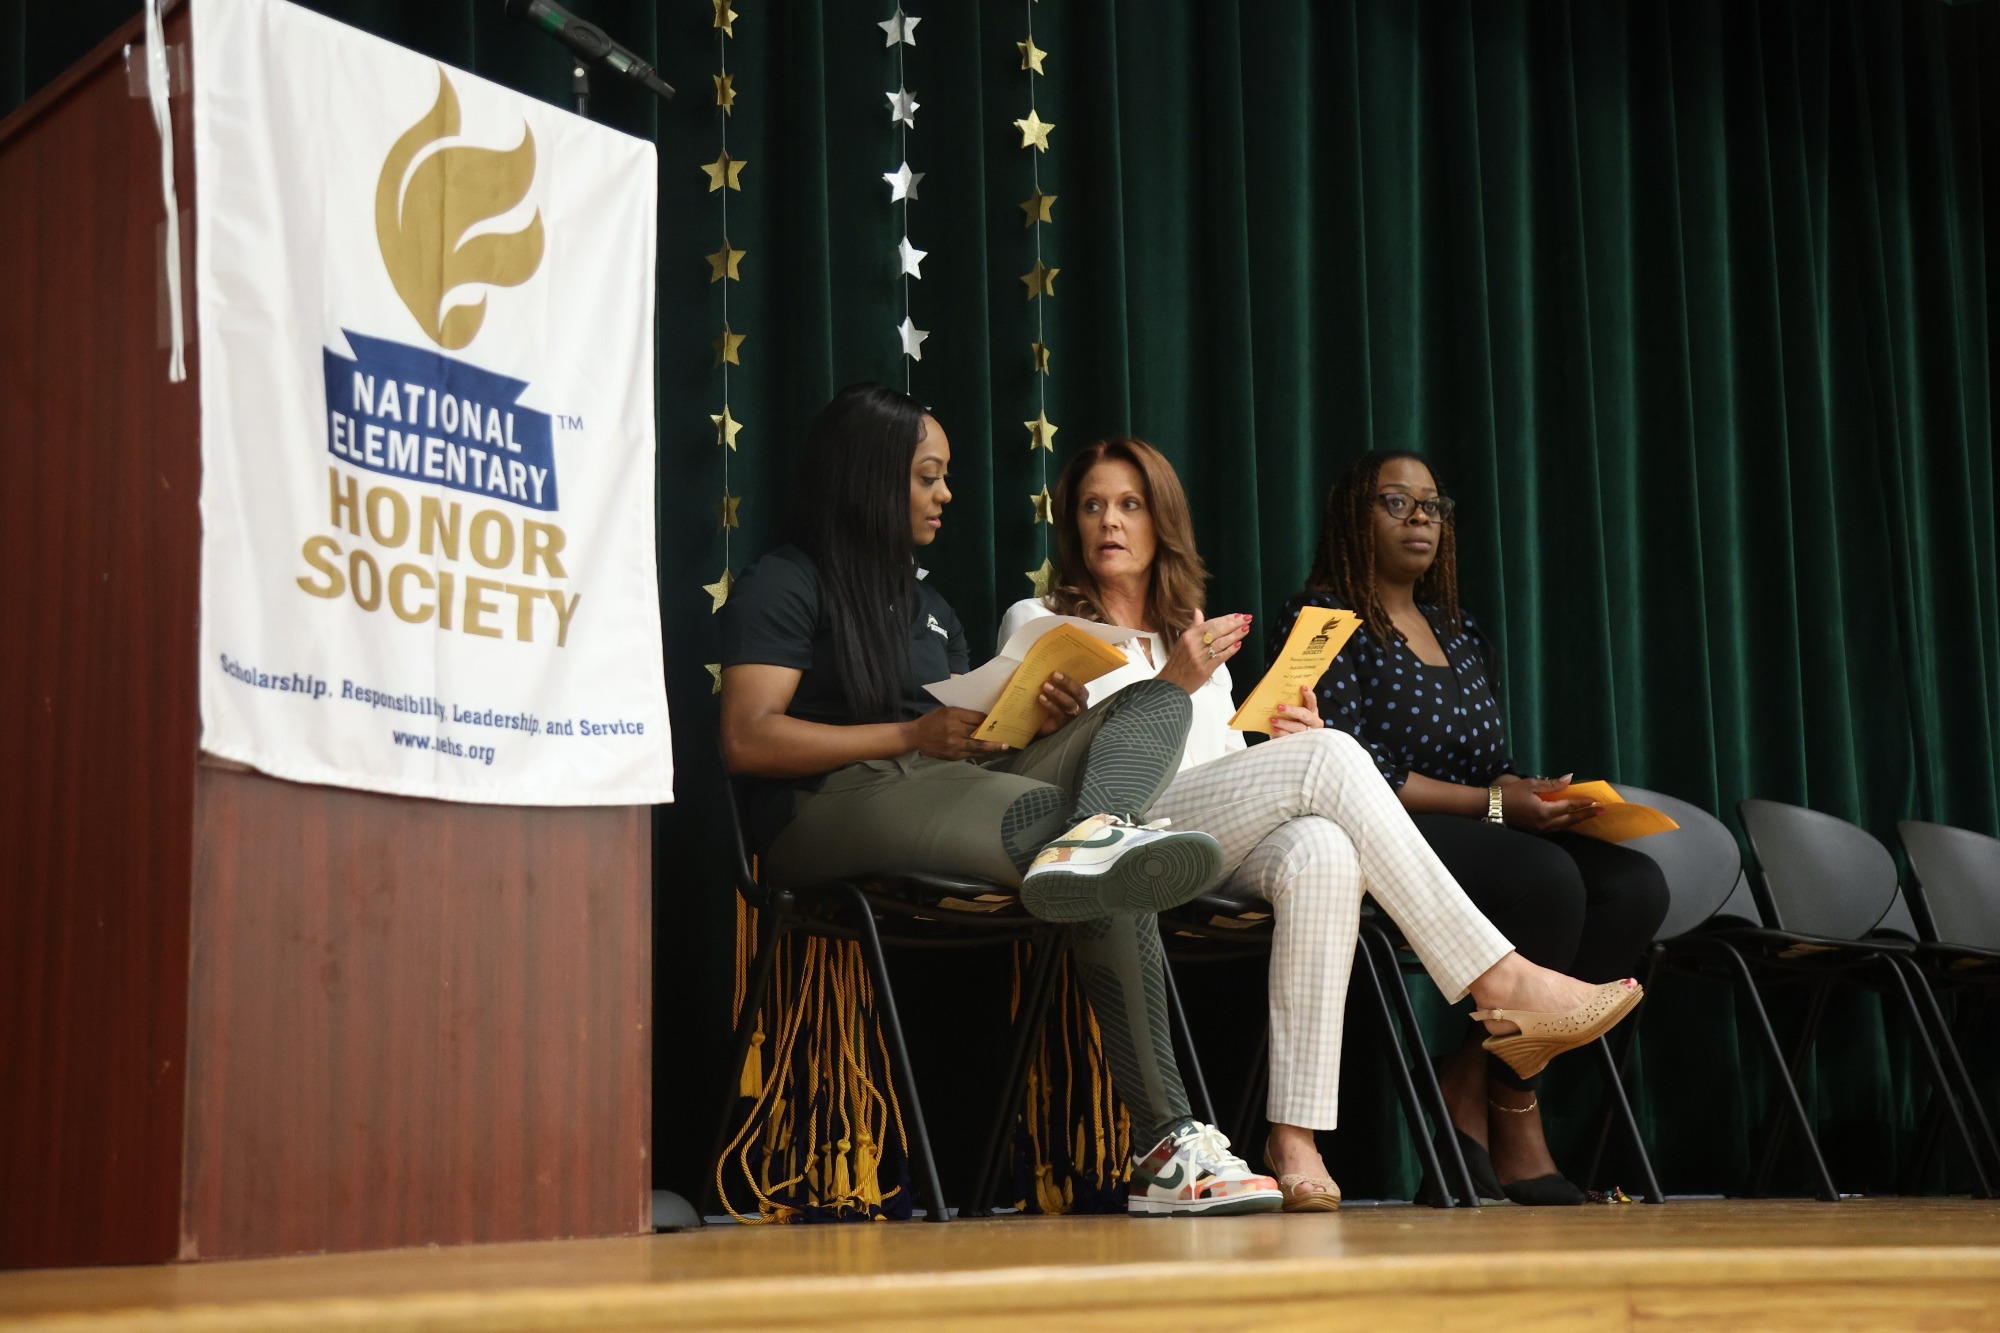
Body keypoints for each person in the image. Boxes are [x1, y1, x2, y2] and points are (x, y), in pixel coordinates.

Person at [999, 436, 1646, 1211]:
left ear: (1160, 520)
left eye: (1130, 504)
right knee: (1337, 757)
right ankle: (1501, 979)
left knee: (1325, 845)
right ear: (1071, 524)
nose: (1110, 520)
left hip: (1207, 828)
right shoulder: (1037, 620)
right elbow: (1015, 760)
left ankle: (1294, 1136)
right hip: (1114, 833)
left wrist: (1284, 741)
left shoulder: (1197, 635)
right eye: (1093, 505)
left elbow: (1223, 761)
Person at [718, 384, 1283, 1216]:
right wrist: (912, 737)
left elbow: (961, 746)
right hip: (825, 807)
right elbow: (747, 737)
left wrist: (1024, 725)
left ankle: (1103, 831)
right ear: (873, 479)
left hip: (940, 783)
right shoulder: (788, 580)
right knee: (1095, 857)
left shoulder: (931, 609)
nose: (946, 494)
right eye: (928, 476)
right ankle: (1166, 1140)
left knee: (1152, 701)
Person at [1278, 449, 1670, 1205]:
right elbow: (1348, 765)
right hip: (1377, 835)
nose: (1422, 517)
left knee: (1632, 887)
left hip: (1479, 825)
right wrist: (1495, 809)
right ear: (1353, 517)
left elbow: (1487, 760)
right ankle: (1513, 1110)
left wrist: (1530, 793)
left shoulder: (1459, 630)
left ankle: (1468, 1077)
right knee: (1545, 881)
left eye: (1433, 505)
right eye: (1397, 502)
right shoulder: (1321, 620)